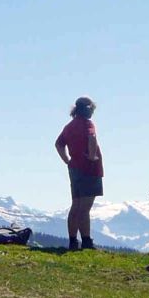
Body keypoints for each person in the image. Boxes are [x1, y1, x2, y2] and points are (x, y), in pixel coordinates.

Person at [55, 96, 103, 250]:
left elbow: (58, 144)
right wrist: (91, 155)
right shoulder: (88, 124)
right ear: (88, 109)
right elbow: (92, 137)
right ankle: (87, 241)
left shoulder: (69, 126)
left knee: (76, 205)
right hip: (89, 169)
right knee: (85, 208)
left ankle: (73, 241)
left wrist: (67, 160)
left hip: (74, 168)